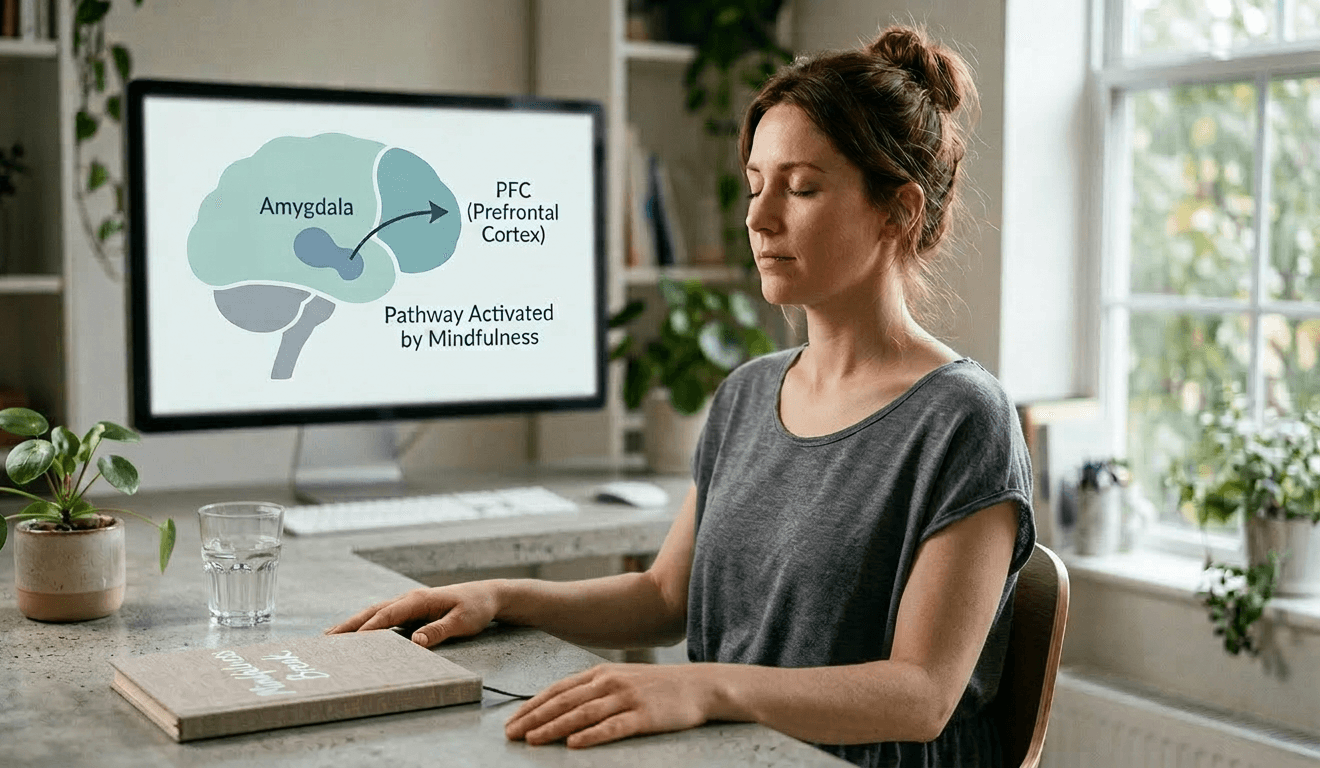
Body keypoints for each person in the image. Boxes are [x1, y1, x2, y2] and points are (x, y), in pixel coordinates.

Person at [328, 24, 1035, 768]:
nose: (759, 219)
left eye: (802, 188)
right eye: (756, 185)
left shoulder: (964, 419)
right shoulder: (747, 394)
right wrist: (500, 596)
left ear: (899, 211)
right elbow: (665, 598)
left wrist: (701, 689)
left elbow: (921, 695)